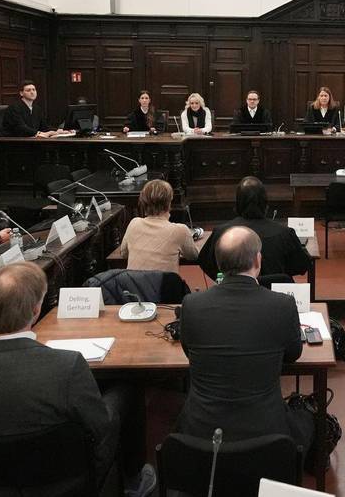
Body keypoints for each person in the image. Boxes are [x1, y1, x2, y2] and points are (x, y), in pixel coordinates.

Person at [0, 262, 143, 497]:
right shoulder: (68, 366)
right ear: (35, 310)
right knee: (126, 388)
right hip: (64, 482)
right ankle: (134, 484)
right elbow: (100, 428)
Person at [177, 226, 310, 451]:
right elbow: (293, 354)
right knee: (308, 419)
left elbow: (189, 351)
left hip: (199, 436)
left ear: (218, 263)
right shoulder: (282, 305)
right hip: (268, 435)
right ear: (258, 260)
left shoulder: (191, 304)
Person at [197, 178, 312, 279]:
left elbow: (205, 262)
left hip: (233, 293)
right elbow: (302, 266)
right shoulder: (285, 234)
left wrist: (224, 279)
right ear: (265, 204)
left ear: (238, 203)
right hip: (275, 295)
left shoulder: (221, 233)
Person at [112, 179, 199, 271]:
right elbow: (193, 256)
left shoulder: (134, 223)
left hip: (133, 280)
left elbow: (124, 253)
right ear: (169, 202)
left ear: (143, 202)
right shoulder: (180, 230)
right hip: (164, 281)